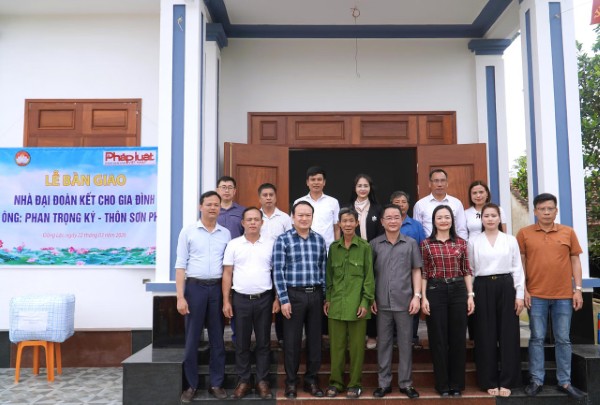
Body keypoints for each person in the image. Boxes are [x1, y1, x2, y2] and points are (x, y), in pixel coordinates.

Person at [517, 193, 585, 400]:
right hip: (535, 294)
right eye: (542, 209)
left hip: (564, 295)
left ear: (556, 210)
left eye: (550, 209)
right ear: (535, 211)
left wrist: (578, 289)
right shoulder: (524, 233)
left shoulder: (568, 232)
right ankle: (536, 380)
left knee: (563, 338)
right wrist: (524, 289)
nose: (546, 212)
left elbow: (575, 261)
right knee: (537, 338)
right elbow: (520, 264)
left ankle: (565, 381)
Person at [176, 191, 231, 402]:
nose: (213, 208)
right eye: (209, 204)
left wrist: (226, 298)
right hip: (195, 288)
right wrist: (180, 297)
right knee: (192, 339)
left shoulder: (225, 233)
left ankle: (216, 383)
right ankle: (191, 385)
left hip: (216, 288)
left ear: (220, 208)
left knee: (217, 338)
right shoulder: (188, 231)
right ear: (201, 207)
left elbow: (227, 267)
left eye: (216, 205)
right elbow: (180, 266)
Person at [222, 207, 280, 399]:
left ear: (262, 223)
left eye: (256, 219)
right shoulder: (234, 245)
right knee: (241, 343)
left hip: (264, 299)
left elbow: (276, 273)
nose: (253, 223)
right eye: (249, 219)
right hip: (240, 300)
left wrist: (277, 298)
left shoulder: (271, 244)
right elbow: (227, 274)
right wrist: (226, 301)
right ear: (243, 223)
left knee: (263, 342)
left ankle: (262, 381)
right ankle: (244, 381)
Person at [468, 203, 524, 397]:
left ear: (500, 218)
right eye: (486, 216)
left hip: (506, 286)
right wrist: (470, 295)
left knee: (508, 334)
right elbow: (471, 270)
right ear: (481, 219)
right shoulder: (474, 241)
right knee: (485, 334)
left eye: (494, 215)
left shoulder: (510, 240)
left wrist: (519, 295)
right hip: (482, 287)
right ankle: (488, 381)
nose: (490, 219)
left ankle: (508, 381)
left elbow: (517, 268)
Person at [273, 201, 328, 399]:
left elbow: (323, 270)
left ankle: (311, 380)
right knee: (292, 342)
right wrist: (283, 299)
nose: (304, 219)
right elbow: (278, 272)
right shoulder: (283, 240)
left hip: (315, 295)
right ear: (292, 217)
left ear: (312, 217)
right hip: (293, 296)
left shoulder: (319, 240)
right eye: (300, 215)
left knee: (315, 341)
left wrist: (325, 297)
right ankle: (291, 382)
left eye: (308, 215)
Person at [421, 205, 474, 397]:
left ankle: (457, 384)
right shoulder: (426, 244)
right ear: (434, 221)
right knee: (438, 339)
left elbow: (466, 270)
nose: (443, 220)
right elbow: (424, 272)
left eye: (447, 217)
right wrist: (423, 297)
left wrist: (470, 295)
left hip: (459, 290)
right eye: (439, 217)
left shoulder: (461, 243)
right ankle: (442, 385)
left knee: (458, 338)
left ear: (452, 220)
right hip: (435, 290)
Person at [370, 204, 423, 399]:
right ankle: (383, 384)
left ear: (402, 220)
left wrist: (417, 296)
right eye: (389, 218)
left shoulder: (410, 243)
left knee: (405, 344)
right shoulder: (374, 244)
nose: (393, 221)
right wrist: (370, 298)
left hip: (405, 302)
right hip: (381, 302)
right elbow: (369, 274)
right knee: (383, 344)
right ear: (382, 222)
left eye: (396, 217)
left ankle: (406, 383)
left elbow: (416, 270)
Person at [323, 207, 375, 399]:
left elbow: (369, 278)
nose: (347, 224)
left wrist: (365, 302)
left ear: (357, 223)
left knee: (356, 349)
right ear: (339, 224)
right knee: (336, 347)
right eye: (344, 221)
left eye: (351, 221)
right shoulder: (333, 248)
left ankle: (355, 384)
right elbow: (329, 276)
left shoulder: (364, 247)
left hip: (357, 306)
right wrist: (328, 299)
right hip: (336, 305)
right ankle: (335, 383)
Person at [349, 174, 384, 349]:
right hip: (352, 256)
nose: (362, 189)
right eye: (359, 185)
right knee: (354, 292)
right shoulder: (348, 208)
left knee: (371, 293)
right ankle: (355, 333)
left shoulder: (378, 209)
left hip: (373, 255)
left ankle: (371, 334)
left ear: (370, 188)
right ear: (354, 188)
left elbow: (381, 234)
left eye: (366, 186)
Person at [258, 183, 292, 345]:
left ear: (276, 197)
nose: (268, 198)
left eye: (271, 195)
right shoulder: (255, 217)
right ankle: (262, 337)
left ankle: (281, 337)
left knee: (282, 300)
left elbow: (290, 240)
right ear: (260, 198)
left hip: (281, 266)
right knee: (264, 303)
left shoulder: (284, 218)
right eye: (265, 195)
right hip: (261, 267)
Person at [391, 191, 426, 348]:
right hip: (391, 271)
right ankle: (394, 338)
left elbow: (422, 247)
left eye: (403, 202)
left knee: (413, 303)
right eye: (397, 202)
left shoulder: (416, 225)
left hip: (412, 270)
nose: (400, 205)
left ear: (408, 205)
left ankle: (412, 337)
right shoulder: (387, 223)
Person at [413, 169, 468, 240]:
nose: (439, 184)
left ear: (447, 183)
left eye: (443, 181)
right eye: (436, 181)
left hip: (453, 245)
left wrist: (462, 244)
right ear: (429, 184)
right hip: (429, 245)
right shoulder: (420, 205)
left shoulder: (456, 203)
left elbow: (462, 229)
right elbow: (417, 231)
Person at [293, 166, 340, 248]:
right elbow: (294, 226)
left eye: (319, 179)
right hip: (303, 247)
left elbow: (337, 228)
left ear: (324, 182)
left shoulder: (333, 202)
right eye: (313, 179)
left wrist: (337, 248)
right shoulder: (298, 202)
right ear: (307, 182)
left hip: (328, 249)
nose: (316, 182)